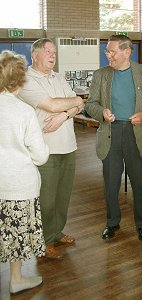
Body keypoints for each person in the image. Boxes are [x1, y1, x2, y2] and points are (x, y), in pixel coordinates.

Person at [85, 35, 142, 241]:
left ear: (127, 52)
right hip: (110, 132)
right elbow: (90, 104)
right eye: (107, 51)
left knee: (139, 182)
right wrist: (102, 112)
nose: (108, 55)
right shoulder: (101, 75)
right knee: (110, 183)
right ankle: (112, 223)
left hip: (135, 133)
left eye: (112, 51)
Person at [18, 38, 85, 259]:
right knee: (46, 199)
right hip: (44, 149)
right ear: (35, 55)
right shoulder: (26, 80)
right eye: (47, 51)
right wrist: (71, 102)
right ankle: (43, 241)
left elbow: (79, 105)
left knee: (63, 196)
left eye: (54, 52)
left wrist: (65, 114)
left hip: (68, 145)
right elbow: (52, 104)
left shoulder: (59, 76)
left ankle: (56, 233)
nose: (53, 55)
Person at [0, 51, 49, 293]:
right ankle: (17, 278)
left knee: (4, 230)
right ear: (19, 80)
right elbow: (40, 156)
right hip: (19, 186)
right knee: (17, 232)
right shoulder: (23, 112)